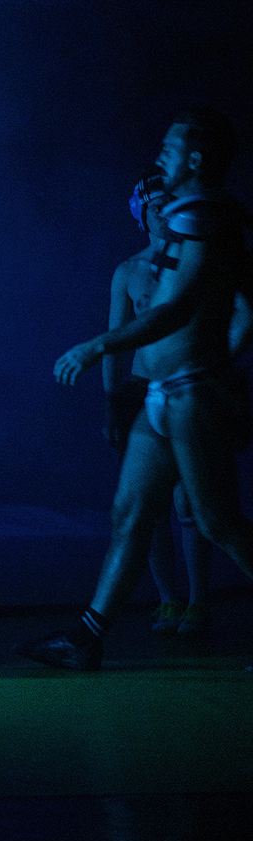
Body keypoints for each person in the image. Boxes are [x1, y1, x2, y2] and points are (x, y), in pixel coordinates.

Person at [23, 110, 253, 670]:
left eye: (170, 149)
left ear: (195, 159)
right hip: (162, 394)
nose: (160, 156)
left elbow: (176, 308)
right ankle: (86, 638)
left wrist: (97, 346)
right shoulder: (187, 218)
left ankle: (141, 620)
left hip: (193, 392)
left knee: (216, 520)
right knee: (130, 511)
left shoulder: (206, 215)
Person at [105, 178, 237, 636]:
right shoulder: (129, 272)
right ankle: (167, 598)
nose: (163, 213)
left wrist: (216, 365)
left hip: (186, 385)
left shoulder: (195, 258)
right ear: (140, 213)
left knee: (195, 505)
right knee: (146, 506)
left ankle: (198, 600)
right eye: (155, 206)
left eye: (169, 204)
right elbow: (118, 342)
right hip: (144, 388)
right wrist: (112, 400)